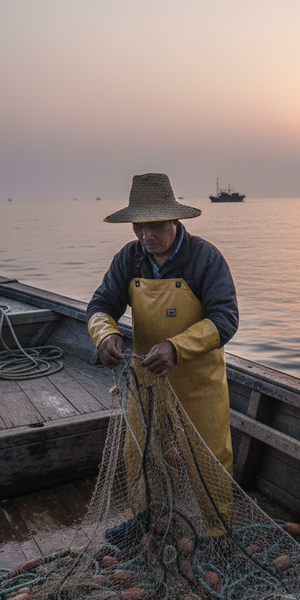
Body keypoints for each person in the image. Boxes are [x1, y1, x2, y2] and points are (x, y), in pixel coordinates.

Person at [87, 172, 239, 474]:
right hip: (147, 380)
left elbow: (225, 319)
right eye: (138, 227)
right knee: (140, 455)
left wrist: (175, 348)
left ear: (174, 220)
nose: (146, 236)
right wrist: (105, 336)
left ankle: (213, 523)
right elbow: (100, 306)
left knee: (209, 461)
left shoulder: (206, 258)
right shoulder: (128, 259)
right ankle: (142, 517)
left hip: (200, 386)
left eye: (154, 225)